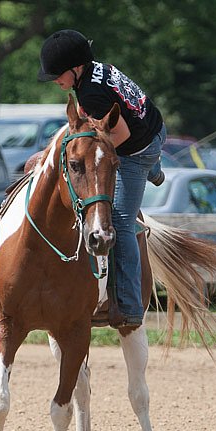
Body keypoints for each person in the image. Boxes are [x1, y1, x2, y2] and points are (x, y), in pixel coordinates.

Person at [38, 29, 167, 328]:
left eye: (58, 74)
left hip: (139, 149)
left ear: (75, 68)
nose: (56, 80)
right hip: (155, 128)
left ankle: (131, 306)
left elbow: (121, 134)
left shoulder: (91, 94)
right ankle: (155, 167)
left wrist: (94, 159)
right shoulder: (99, 70)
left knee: (121, 222)